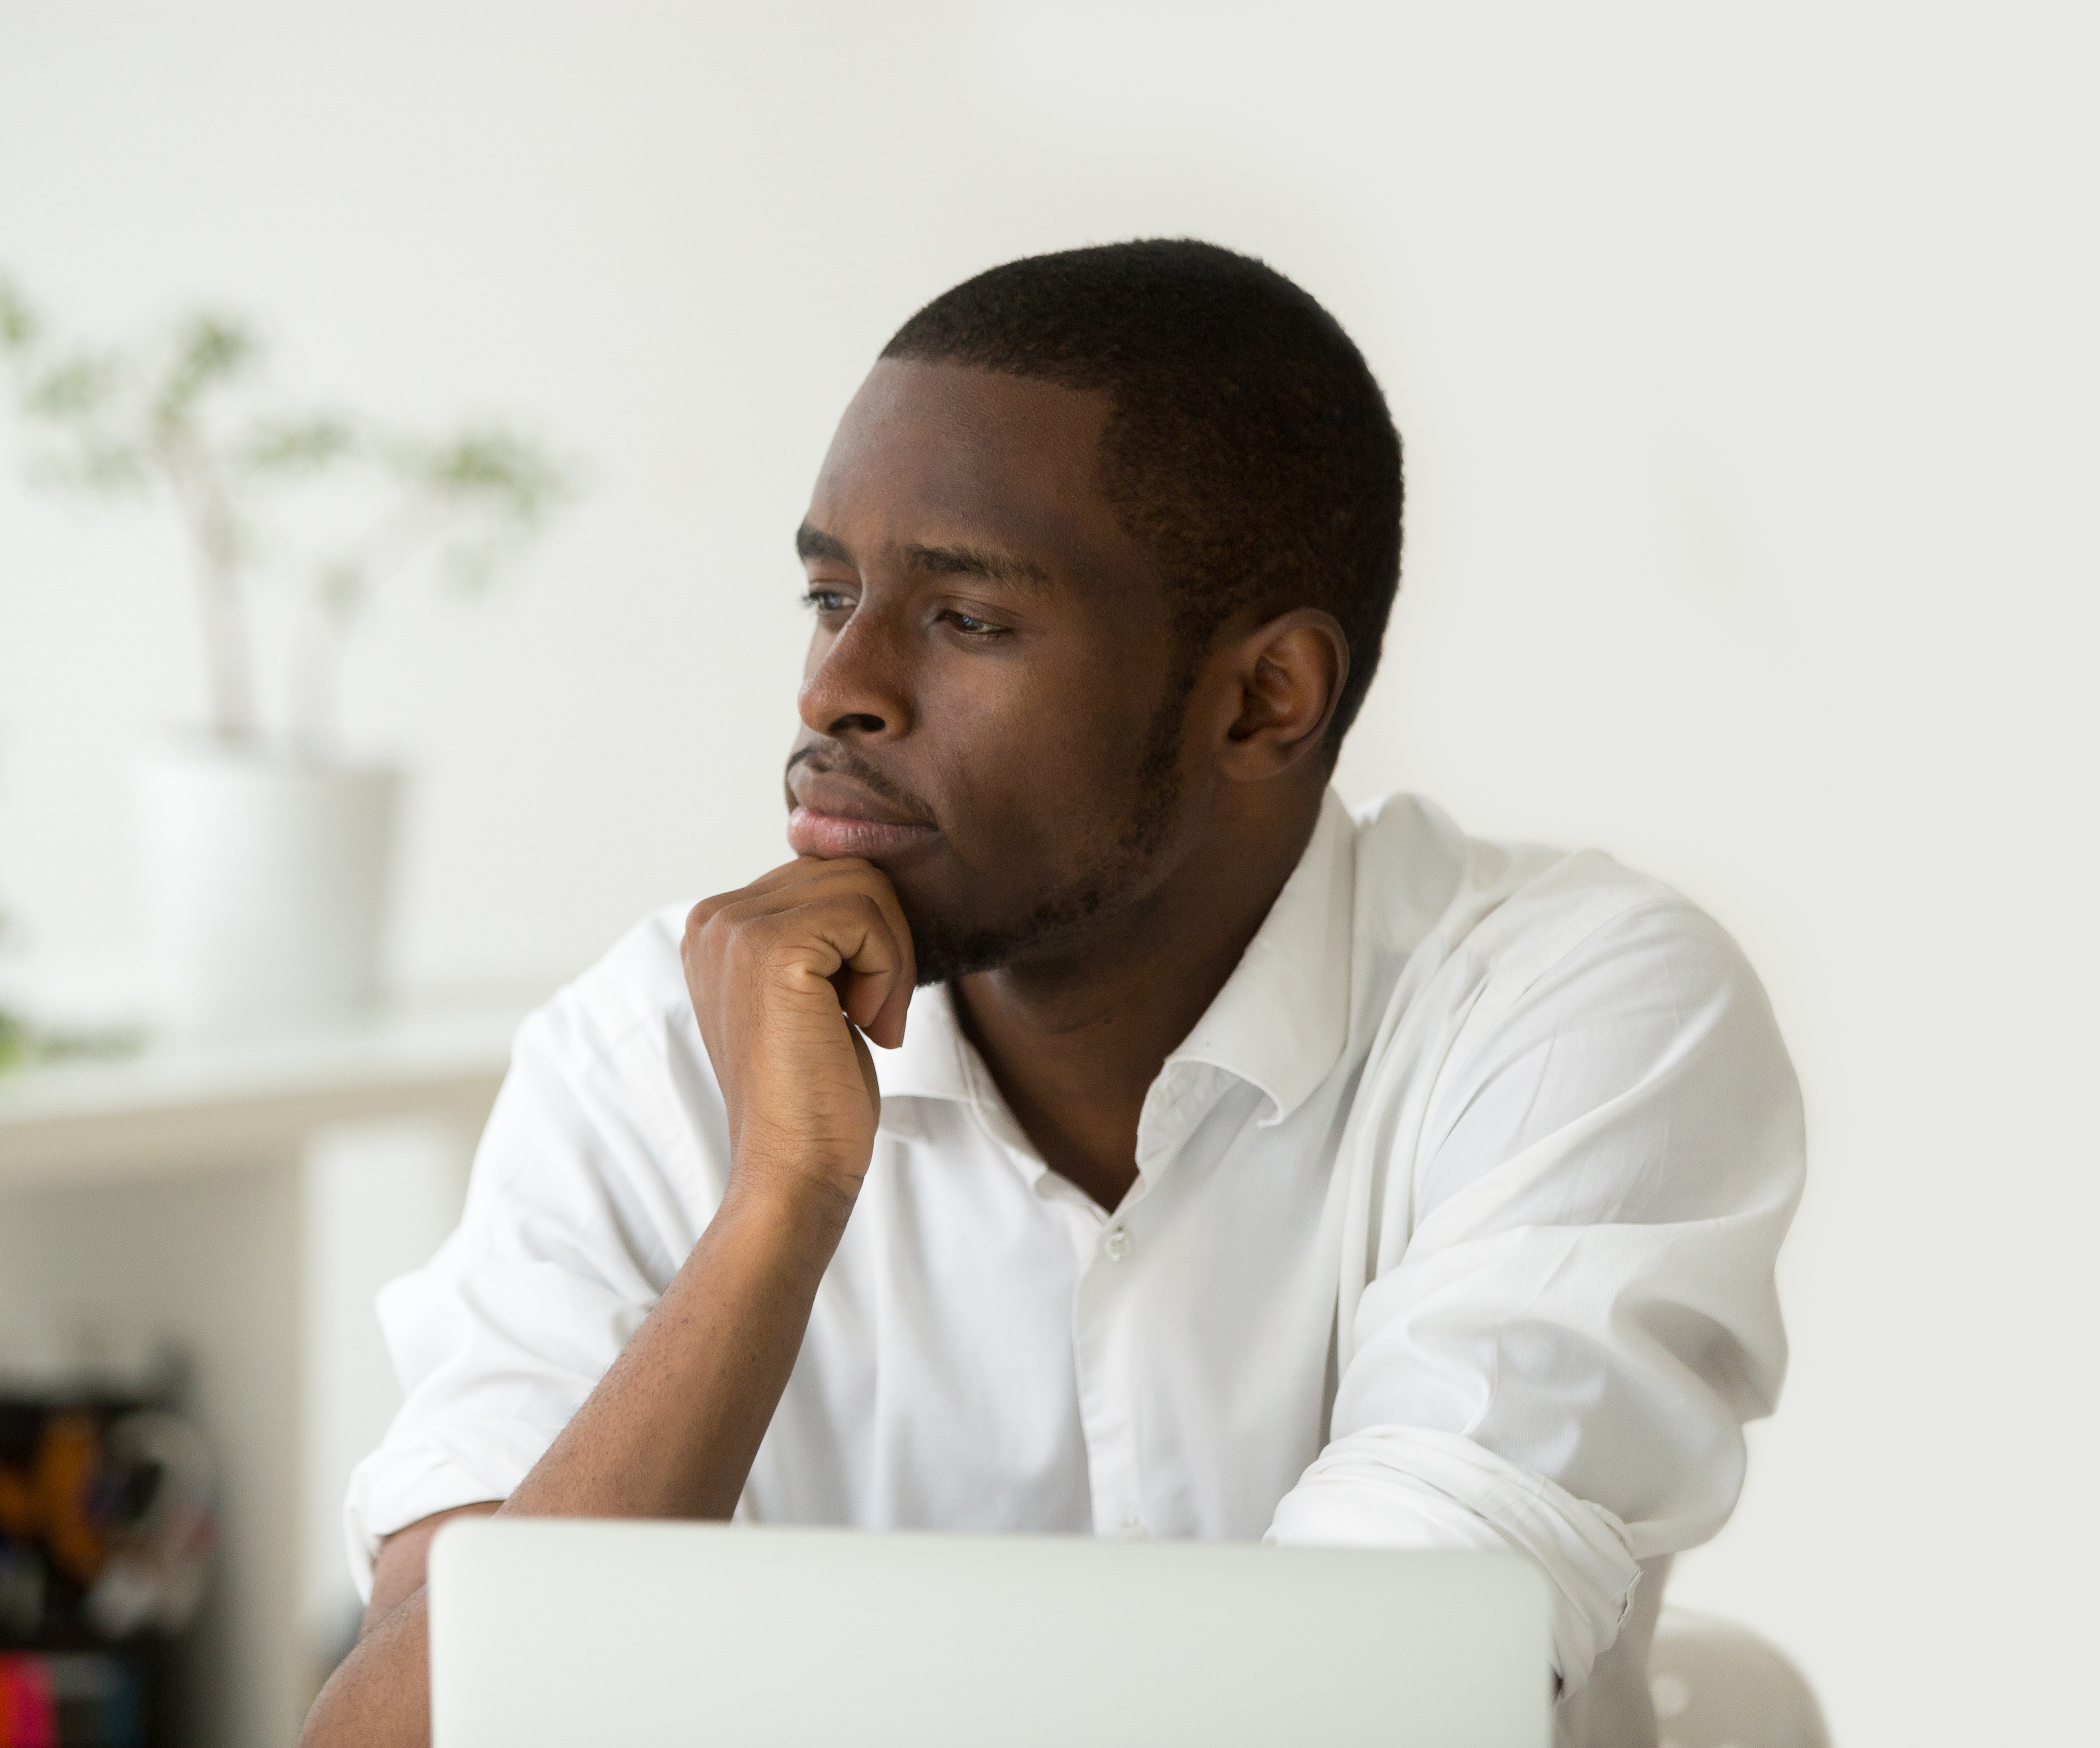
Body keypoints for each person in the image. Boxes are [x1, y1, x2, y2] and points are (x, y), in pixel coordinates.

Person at [299, 240, 1803, 1748]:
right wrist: (781, 1206)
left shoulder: (1572, 1018)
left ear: (1263, 698)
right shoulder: (651, 1060)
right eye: (831, 594)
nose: (836, 687)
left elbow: (1366, 1714)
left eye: (967, 619)